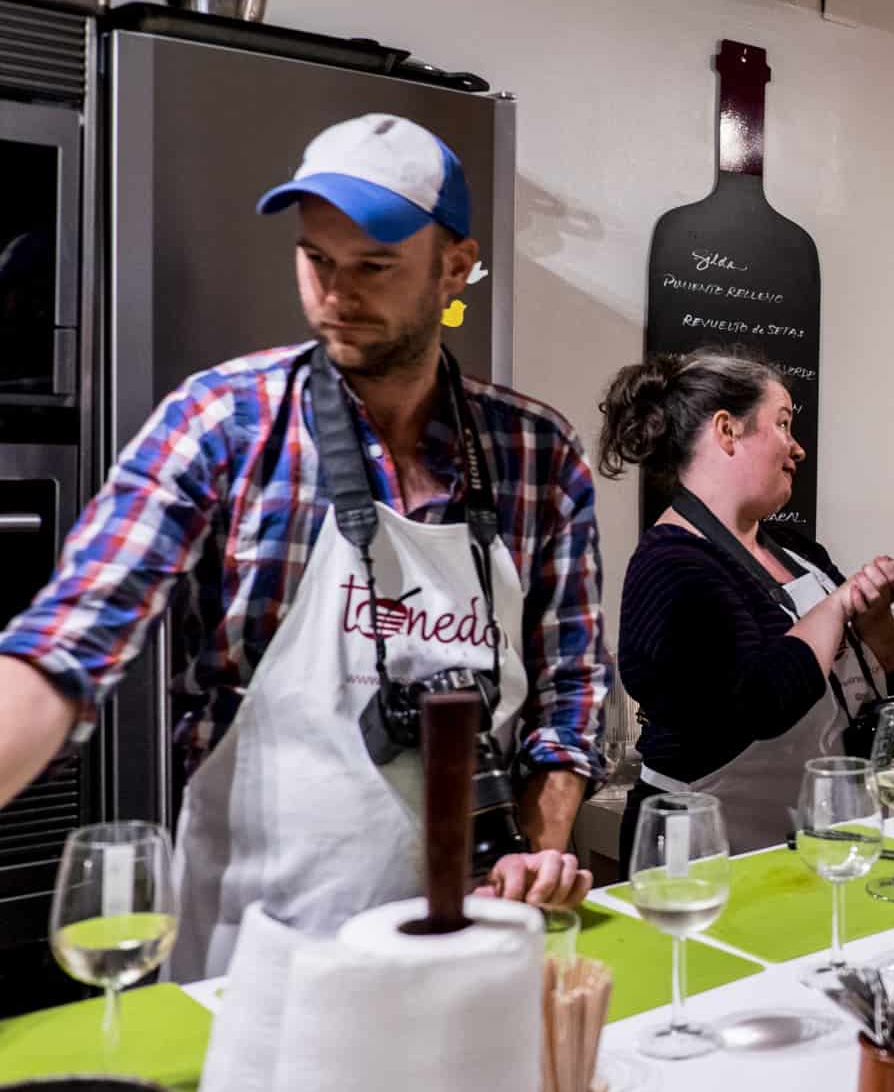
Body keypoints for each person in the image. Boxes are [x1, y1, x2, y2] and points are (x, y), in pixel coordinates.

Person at [0, 114, 605, 979]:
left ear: (455, 268)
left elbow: (571, 689)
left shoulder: (538, 455)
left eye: (374, 266)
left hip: (473, 941)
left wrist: (535, 850)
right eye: (316, 259)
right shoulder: (227, 422)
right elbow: (65, 646)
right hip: (260, 951)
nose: (335, 293)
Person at [599, 349, 894, 857]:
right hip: (701, 846)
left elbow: (891, 674)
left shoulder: (797, 550)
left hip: (800, 837)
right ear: (727, 431)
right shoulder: (670, 565)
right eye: (783, 424)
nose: (797, 449)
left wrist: (877, 621)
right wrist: (836, 607)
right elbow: (760, 700)